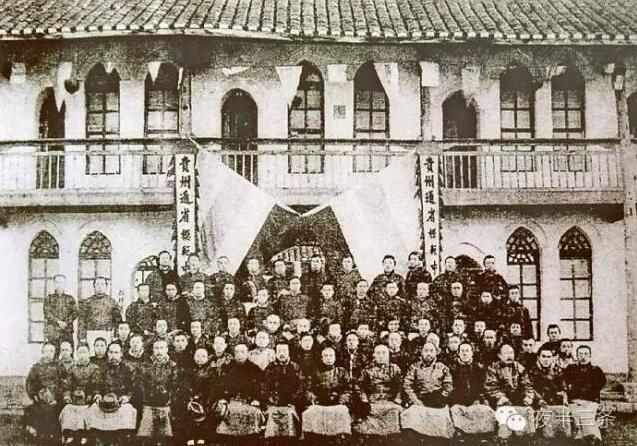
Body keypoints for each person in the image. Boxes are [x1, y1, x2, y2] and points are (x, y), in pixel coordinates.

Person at [401, 342, 455, 441]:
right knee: (412, 417)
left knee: (442, 419)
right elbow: (407, 385)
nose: (428, 353)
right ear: (421, 352)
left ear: (436, 352)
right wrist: (415, 400)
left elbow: (448, 385)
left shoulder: (443, 368)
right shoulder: (414, 367)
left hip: (438, 402)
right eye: (426, 351)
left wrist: (442, 398)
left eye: (431, 351)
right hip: (420, 401)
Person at [86, 342, 137, 444]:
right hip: (104, 401)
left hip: (120, 401)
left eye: (116, 352)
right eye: (111, 352)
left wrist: (127, 397)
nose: (113, 355)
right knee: (92, 410)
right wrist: (97, 395)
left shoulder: (128, 369)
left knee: (128, 411)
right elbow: (96, 385)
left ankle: (120, 440)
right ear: (108, 353)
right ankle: (99, 440)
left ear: (121, 354)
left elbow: (132, 388)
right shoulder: (101, 369)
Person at [484, 344, 535, 441]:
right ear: (499, 355)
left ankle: (527, 436)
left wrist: (528, 396)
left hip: (517, 399)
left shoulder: (519, 367)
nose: (509, 356)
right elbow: (491, 387)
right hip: (499, 399)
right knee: (504, 410)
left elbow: (527, 384)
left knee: (528, 410)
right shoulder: (493, 368)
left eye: (511, 353)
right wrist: (501, 397)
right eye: (506, 353)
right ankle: (504, 438)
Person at [214, 343, 265, 440]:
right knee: (224, 410)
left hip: (248, 401)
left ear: (248, 353)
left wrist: (256, 399)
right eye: (236, 352)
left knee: (253, 412)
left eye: (242, 352)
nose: (239, 355)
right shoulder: (227, 368)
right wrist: (223, 398)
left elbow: (260, 387)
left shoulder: (255, 369)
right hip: (230, 401)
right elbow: (220, 386)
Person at [353, 344, 403, 440]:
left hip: (390, 402)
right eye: (378, 353)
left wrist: (398, 399)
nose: (381, 356)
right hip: (373, 402)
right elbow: (359, 386)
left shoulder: (395, 369)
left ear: (388, 355)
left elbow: (401, 386)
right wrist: (364, 399)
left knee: (393, 414)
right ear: (374, 355)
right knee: (367, 420)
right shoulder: (367, 369)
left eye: (384, 353)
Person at [137, 338, 182, 444]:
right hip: (148, 402)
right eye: (156, 348)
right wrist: (146, 397)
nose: (159, 351)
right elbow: (140, 384)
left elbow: (176, 386)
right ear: (153, 350)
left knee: (165, 435)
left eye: (161, 348)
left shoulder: (173, 366)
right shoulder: (145, 365)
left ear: (166, 349)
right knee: (146, 435)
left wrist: (168, 397)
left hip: (166, 403)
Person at [302, 347, 353, 440]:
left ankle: (340, 437)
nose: (328, 358)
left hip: (337, 403)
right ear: (322, 358)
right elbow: (308, 389)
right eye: (325, 356)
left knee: (342, 410)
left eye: (331, 355)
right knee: (311, 412)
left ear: (335, 358)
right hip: (319, 403)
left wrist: (342, 399)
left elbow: (348, 389)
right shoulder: (315, 372)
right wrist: (313, 398)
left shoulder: (341, 372)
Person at [448, 342, 496, 439]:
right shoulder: (452, 368)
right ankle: (461, 434)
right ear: (458, 353)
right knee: (456, 411)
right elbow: (451, 387)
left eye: (467, 351)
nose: (465, 353)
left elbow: (482, 387)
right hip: (458, 402)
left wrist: (478, 399)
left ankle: (483, 436)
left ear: (472, 353)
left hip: (475, 401)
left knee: (485, 411)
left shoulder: (479, 369)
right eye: (462, 351)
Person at [563, 345, 607, 444]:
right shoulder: (570, 369)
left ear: (590, 356)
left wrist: (579, 390)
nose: (583, 357)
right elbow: (566, 385)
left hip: (590, 402)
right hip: (574, 402)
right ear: (577, 356)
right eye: (580, 354)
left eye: (586, 354)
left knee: (585, 414)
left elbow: (596, 387)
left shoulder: (596, 371)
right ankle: (591, 438)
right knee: (577, 415)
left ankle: (585, 438)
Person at [25, 342, 66, 443]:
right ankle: (38, 433)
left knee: (54, 410)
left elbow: (65, 383)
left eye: (51, 351)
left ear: (54, 353)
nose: (49, 353)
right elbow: (30, 383)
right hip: (41, 398)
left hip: (56, 399)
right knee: (33, 409)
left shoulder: (59, 366)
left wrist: (56, 396)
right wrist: (36, 395)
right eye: (47, 351)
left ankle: (50, 434)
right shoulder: (36, 367)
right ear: (42, 352)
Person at [60, 342, 100, 444]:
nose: (82, 355)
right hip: (75, 398)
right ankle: (69, 434)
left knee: (88, 410)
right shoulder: (72, 368)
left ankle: (85, 435)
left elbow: (96, 385)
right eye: (80, 352)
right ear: (77, 354)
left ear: (89, 353)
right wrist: (67, 396)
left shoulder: (94, 368)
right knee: (68, 409)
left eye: (84, 352)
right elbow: (67, 386)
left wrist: (91, 396)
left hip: (88, 398)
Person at [529, 347, 571, 440]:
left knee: (562, 411)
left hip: (554, 399)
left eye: (549, 357)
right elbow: (530, 388)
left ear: (552, 358)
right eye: (543, 356)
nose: (546, 359)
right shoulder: (532, 371)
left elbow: (563, 386)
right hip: (537, 400)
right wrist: (539, 399)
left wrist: (564, 396)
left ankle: (562, 437)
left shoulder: (557, 370)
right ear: (538, 357)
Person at [263, 342, 304, 440]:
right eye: (279, 351)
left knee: (291, 414)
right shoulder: (270, 368)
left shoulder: (296, 367)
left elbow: (301, 386)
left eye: (284, 351)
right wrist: (271, 399)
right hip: (274, 402)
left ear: (289, 352)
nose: (282, 353)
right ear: (275, 353)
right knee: (272, 414)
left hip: (292, 402)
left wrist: (293, 399)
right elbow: (264, 387)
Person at [78, 277, 122, 344]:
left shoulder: (112, 302)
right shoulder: (87, 302)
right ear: (94, 286)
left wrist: (116, 335)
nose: (100, 286)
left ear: (106, 286)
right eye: (97, 284)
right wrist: (82, 336)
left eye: (102, 284)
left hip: (107, 332)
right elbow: (82, 320)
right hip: (91, 332)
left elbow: (117, 320)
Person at [44, 274, 77, 347]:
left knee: (67, 350)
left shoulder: (70, 298)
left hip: (67, 330)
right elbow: (47, 313)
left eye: (61, 282)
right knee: (53, 350)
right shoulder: (49, 299)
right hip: (53, 331)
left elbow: (75, 313)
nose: (59, 284)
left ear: (65, 284)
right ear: (54, 284)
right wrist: (58, 322)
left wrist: (66, 322)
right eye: (57, 282)